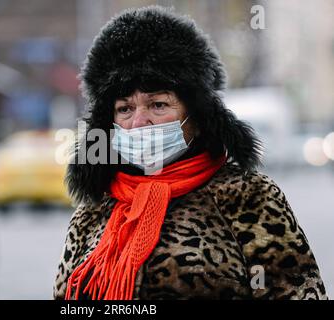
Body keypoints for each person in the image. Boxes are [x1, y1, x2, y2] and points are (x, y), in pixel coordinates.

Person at [53, 6, 327, 300]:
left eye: (158, 104)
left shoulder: (247, 196)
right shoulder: (93, 211)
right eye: (125, 108)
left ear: (195, 116)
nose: (138, 121)